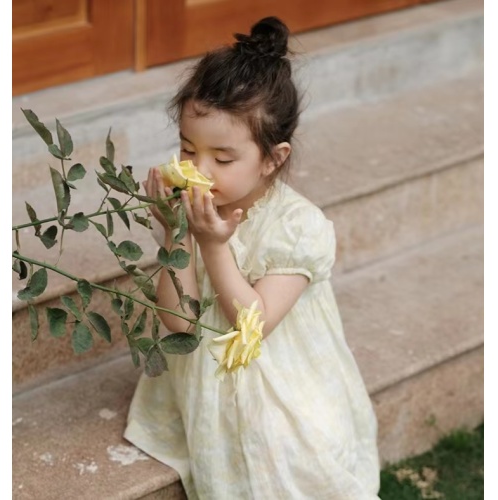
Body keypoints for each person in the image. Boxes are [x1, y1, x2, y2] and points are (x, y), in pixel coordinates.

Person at [124, 16, 380, 499]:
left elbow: (253, 325)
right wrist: (176, 234)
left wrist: (215, 246)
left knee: (292, 452)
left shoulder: (297, 228)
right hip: (205, 372)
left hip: (278, 370)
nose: (198, 169)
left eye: (222, 160)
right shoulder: (194, 213)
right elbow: (180, 324)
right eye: (186, 150)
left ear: (273, 158)